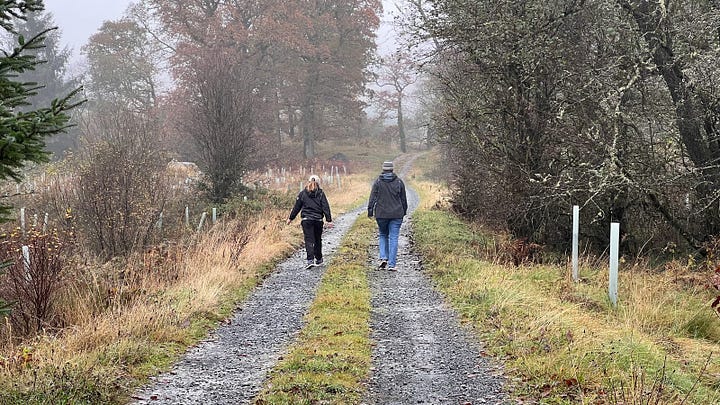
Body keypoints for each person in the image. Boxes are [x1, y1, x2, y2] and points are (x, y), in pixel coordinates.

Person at [287, 175, 333, 269]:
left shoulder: (303, 193)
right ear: (319, 183)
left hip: (306, 220)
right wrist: (329, 220)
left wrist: (290, 218)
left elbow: (296, 207)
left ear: (308, 182)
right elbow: (325, 207)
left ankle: (310, 260)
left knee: (309, 240)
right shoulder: (321, 194)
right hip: (318, 220)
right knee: (317, 239)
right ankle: (319, 259)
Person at [368, 161, 407, 271]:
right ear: (392, 169)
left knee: (383, 235)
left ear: (383, 169)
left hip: (381, 214)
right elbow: (403, 199)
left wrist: (370, 211)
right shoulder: (399, 182)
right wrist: (404, 211)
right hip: (396, 214)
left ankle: (383, 258)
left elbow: (372, 198)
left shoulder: (377, 182)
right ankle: (392, 264)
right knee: (393, 237)